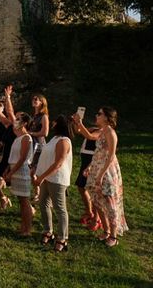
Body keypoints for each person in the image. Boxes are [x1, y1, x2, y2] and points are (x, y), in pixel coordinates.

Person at [73, 107, 128, 247]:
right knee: (97, 200)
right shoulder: (102, 131)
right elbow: (98, 151)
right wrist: (90, 166)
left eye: (99, 114)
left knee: (110, 203)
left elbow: (110, 156)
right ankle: (106, 229)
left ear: (107, 117)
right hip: (96, 168)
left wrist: (101, 174)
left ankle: (114, 236)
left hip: (107, 171)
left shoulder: (111, 133)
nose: (96, 115)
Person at [33, 115, 73, 252]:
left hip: (57, 179)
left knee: (60, 209)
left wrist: (42, 177)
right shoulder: (54, 139)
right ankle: (48, 231)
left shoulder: (64, 141)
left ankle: (62, 238)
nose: (52, 124)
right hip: (46, 178)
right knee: (43, 204)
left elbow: (58, 163)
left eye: (54, 122)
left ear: (59, 124)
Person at [4, 112, 34, 236]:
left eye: (18, 119)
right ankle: (23, 226)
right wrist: (8, 170)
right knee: (21, 201)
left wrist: (11, 173)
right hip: (15, 169)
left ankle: (28, 229)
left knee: (25, 200)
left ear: (24, 123)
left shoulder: (27, 138)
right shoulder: (18, 138)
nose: (15, 121)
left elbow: (22, 159)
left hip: (21, 171)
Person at [75, 121, 99, 228]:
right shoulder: (93, 128)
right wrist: (77, 122)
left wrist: (80, 123)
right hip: (84, 162)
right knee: (81, 186)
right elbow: (78, 131)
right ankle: (89, 211)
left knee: (94, 191)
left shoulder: (102, 132)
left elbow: (89, 136)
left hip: (92, 161)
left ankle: (96, 219)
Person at [29, 94, 50, 202]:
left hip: (40, 147)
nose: (34, 100)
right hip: (32, 146)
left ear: (42, 102)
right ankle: (38, 192)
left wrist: (31, 133)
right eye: (33, 98)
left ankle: (42, 194)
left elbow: (45, 133)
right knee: (32, 172)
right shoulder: (34, 116)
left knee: (36, 172)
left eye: (36, 99)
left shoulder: (43, 116)